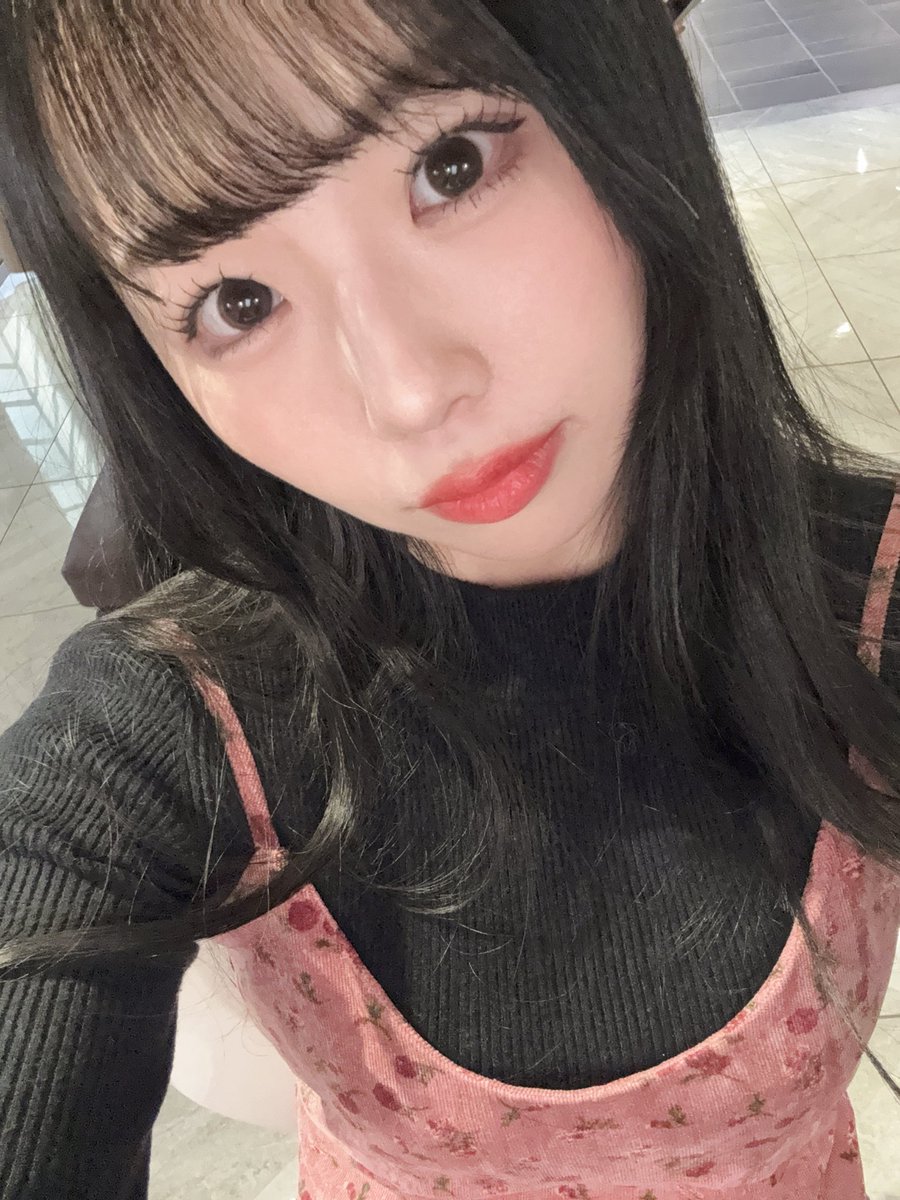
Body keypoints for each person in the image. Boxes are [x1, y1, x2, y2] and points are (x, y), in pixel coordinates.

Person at [1, 2, 899, 1199]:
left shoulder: (870, 591)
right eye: (239, 301)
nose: (411, 393)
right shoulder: (165, 736)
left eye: (451, 165)